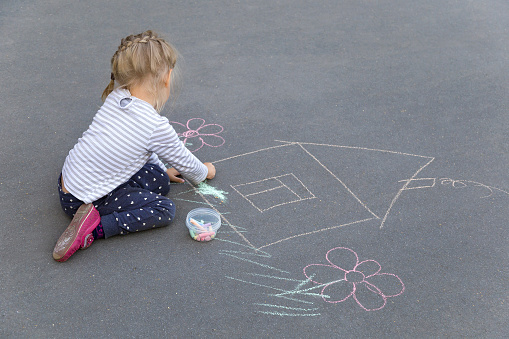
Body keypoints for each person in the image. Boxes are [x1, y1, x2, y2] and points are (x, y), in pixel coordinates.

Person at [53, 30, 215, 262]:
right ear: (167, 77)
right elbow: (191, 168)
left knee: (159, 178)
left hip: (69, 183)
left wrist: (163, 171)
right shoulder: (155, 126)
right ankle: (94, 228)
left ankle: (93, 214)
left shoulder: (118, 96)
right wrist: (206, 171)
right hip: (84, 200)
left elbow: (145, 147)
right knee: (164, 209)